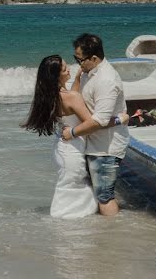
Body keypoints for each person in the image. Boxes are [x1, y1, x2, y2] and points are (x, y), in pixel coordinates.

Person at [22, 54, 128, 219]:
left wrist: (78, 78)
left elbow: (72, 102)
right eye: (64, 69)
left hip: (61, 147)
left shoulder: (52, 95)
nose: (69, 69)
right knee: (73, 189)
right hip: (72, 148)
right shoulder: (71, 97)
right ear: (57, 76)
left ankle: (70, 223)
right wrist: (119, 119)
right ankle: (67, 222)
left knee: (70, 187)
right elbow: (95, 123)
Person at [61, 33, 130, 216]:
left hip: (105, 147)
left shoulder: (106, 80)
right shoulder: (87, 72)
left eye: (80, 59)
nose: (77, 63)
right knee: (99, 192)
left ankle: (111, 237)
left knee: (104, 195)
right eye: (74, 58)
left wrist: (73, 133)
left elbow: (100, 120)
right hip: (92, 143)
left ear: (94, 58)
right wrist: (77, 79)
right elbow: (76, 99)